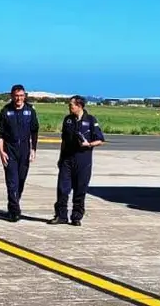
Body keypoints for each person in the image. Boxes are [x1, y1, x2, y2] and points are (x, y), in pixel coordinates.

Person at [49, 95, 104, 226]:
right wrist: (61, 158)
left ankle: (76, 216)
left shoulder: (90, 120)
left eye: (71, 105)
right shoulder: (67, 120)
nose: (69, 107)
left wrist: (89, 144)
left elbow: (100, 140)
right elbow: (64, 141)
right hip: (67, 159)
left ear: (79, 106)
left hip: (83, 160)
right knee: (62, 189)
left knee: (80, 189)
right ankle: (61, 215)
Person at [0, 83, 39, 221]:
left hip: (25, 150)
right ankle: (15, 211)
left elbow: (34, 131)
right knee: (12, 181)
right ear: (12, 96)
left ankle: (13, 204)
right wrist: (1, 152)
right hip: (10, 151)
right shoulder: (6, 111)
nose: (19, 98)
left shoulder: (30, 111)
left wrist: (33, 149)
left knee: (20, 180)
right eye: (16, 96)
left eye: (21, 96)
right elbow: (0, 134)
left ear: (25, 96)